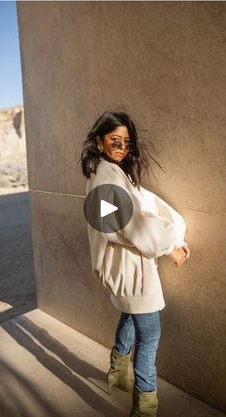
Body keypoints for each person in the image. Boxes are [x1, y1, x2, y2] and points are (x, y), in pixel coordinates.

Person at [79, 110, 190, 417]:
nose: (122, 147)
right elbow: (129, 226)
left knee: (131, 314)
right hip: (133, 270)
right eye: (115, 140)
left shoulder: (104, 173)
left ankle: (117, 371)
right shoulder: (107, 177)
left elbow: (122, 220)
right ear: (100, 142)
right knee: (150, 335)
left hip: (125, 270)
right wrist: (169, 245)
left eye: (127, 142)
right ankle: (145, 408)